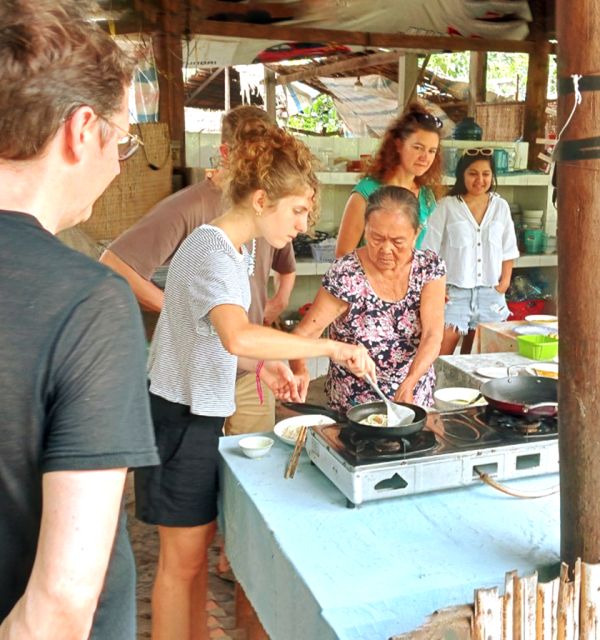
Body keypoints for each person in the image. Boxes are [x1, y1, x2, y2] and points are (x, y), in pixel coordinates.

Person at [136, 119, 375, 640]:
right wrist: (330, 346)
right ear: (263, 199)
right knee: (180, 565)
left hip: (199, 413)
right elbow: (238, 336)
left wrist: (270, 367)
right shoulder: (209, 248)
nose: (302, 224)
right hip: (178, 418)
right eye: (297, 210)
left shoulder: (238, 251)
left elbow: (219, 340)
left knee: (195, 559)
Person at [0, 2, 160, 638]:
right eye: (122, 138)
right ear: (81, 129)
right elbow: (60, 605)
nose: (120, 160)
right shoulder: (85, 302)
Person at [100, 105, 296, 436]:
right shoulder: (190, 206)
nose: (261, 167)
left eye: (268, 156)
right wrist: (179, 307)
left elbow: (284, 264)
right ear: (224, 153)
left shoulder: (270, 210)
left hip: (252, 370)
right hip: (196, 375)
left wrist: (280, 299)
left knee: (249, 474)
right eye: (252, 155)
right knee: (198, 473)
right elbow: (114, 263)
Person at [295, 186, 446, 412]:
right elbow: (304, 335)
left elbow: (433, 335)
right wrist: (299, 371)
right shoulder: (346, 274)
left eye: (397, 242)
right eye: (376, 238)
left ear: (416, 234)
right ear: (365, 230)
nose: (386, 249)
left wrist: (409, 383)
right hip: (354, 406)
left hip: (413, 397)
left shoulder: (428, 268)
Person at [423, 149, 518, 355]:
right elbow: (428, 252)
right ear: (462, 175)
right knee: (441, 357)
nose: (480, 180)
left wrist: (505, 283)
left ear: (493, 176)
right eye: (472, 173)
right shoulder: (446, 206)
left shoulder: (500, 206)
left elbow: (508, 248)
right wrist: (437, 289)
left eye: (486, 173)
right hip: (454, 294)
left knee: (479, 360)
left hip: (491, 294)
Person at [333, 103, 443, 258]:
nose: (425, 157)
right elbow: (343, 255)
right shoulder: (367, 191)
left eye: (432, 151)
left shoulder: (427, 197)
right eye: (418, 147)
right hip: (366, 280)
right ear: (398, 145)